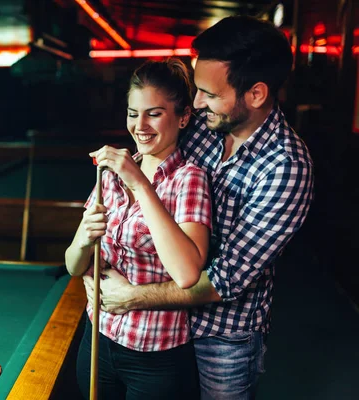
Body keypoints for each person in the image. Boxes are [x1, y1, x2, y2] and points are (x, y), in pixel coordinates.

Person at [82, 16, 315, 399]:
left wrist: (131, 296)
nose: (196, 102)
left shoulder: (288, 167)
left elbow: (226, 280)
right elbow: (153, 164)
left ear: (255, 94)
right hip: (157, 327)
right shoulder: (204, 126)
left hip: (221, 334)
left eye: (208, 92)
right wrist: (96, 267)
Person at [65, 58, 213, 399]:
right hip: (98, 337)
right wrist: (84, 239)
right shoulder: (109, 176)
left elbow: (188, 272)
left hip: (156, 356)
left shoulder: (188, 179)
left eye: (154, 113)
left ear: (184, 116)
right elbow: (74, 265)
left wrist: (140, 183)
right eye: (133, 113)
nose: (140, 125)